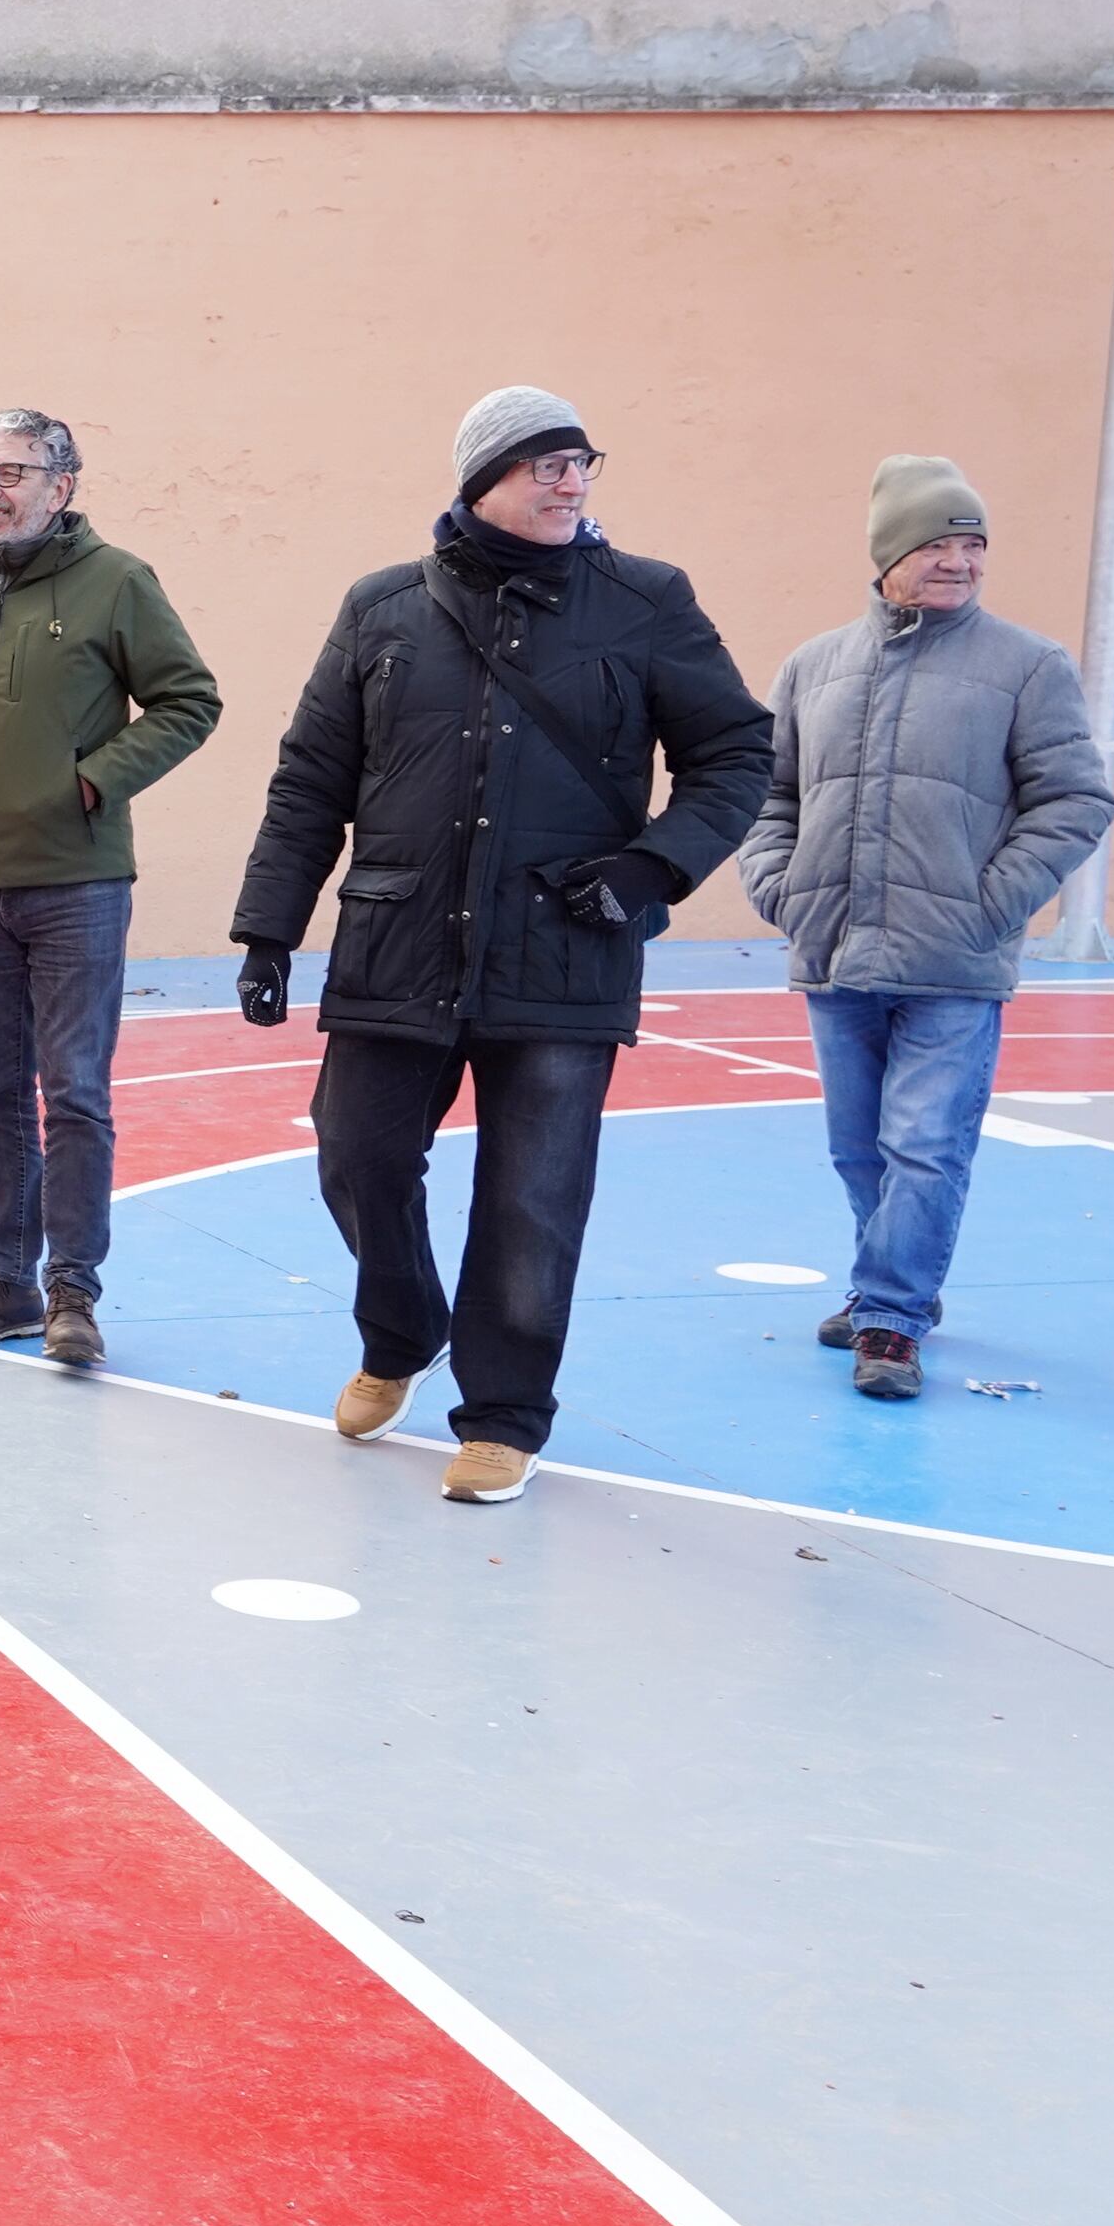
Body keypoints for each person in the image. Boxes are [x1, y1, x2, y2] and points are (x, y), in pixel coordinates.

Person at [231, 385, 772, 1505]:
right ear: (481, 477)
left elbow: (735, 753)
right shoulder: (381, 607)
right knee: (356, 1154)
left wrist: (653, 865)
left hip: (567, 949)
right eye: (543, 463)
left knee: (530, 1199)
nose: (569, 480)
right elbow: (308, 782)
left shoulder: (644, 601)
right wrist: (266, 927)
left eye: (580, 462)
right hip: (396, 942)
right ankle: (400, 1328)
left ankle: (501, 1417)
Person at [731, 457, 1114, 1400]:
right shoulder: (814, 667)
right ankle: (883, 1289)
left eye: (973, 545)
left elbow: (1075, 800)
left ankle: (893, 1317)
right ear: (889, 554)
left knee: (926, 1145)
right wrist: (784, 889)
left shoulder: (1029, 667)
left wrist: (991, 905)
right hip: (836, 952)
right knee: (858, 1147)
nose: (959, 562)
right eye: (937, 543)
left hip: (956, 964)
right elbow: (766, 795)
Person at [0, 411, 220, 1369]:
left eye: (12, 472)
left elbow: (191, 700)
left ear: (63, 485)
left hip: (76, 883)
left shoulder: (116, 583)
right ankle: (6, 1282)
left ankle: (73, 1291)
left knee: (72, 1094)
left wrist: (90, 781)